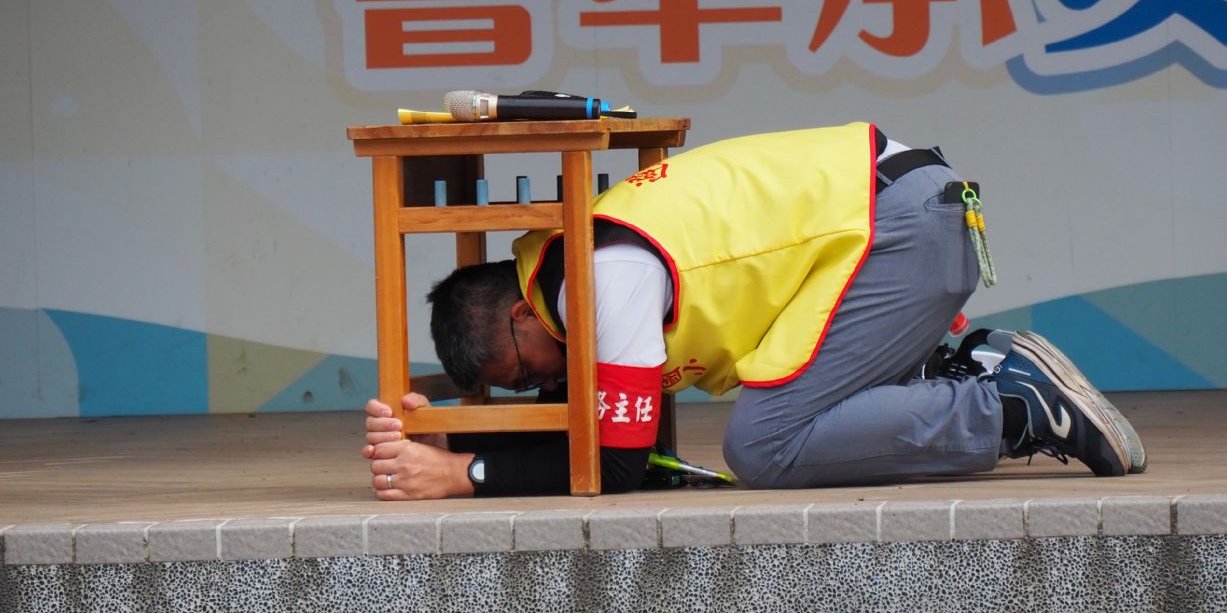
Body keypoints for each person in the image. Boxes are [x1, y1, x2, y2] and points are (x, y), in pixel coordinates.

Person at [361, 121, 1146, 498]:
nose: (542, 387)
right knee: (783, 420)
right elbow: (594, 424)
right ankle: (960, 370)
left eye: (522, 375)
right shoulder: (570, 267)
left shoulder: (599, 279)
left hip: (898, 233)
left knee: (764, 446)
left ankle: (1008, 406)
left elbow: (621, 463)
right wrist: (444, 434)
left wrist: (464, 473)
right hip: (899, 224)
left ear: (522, 319)